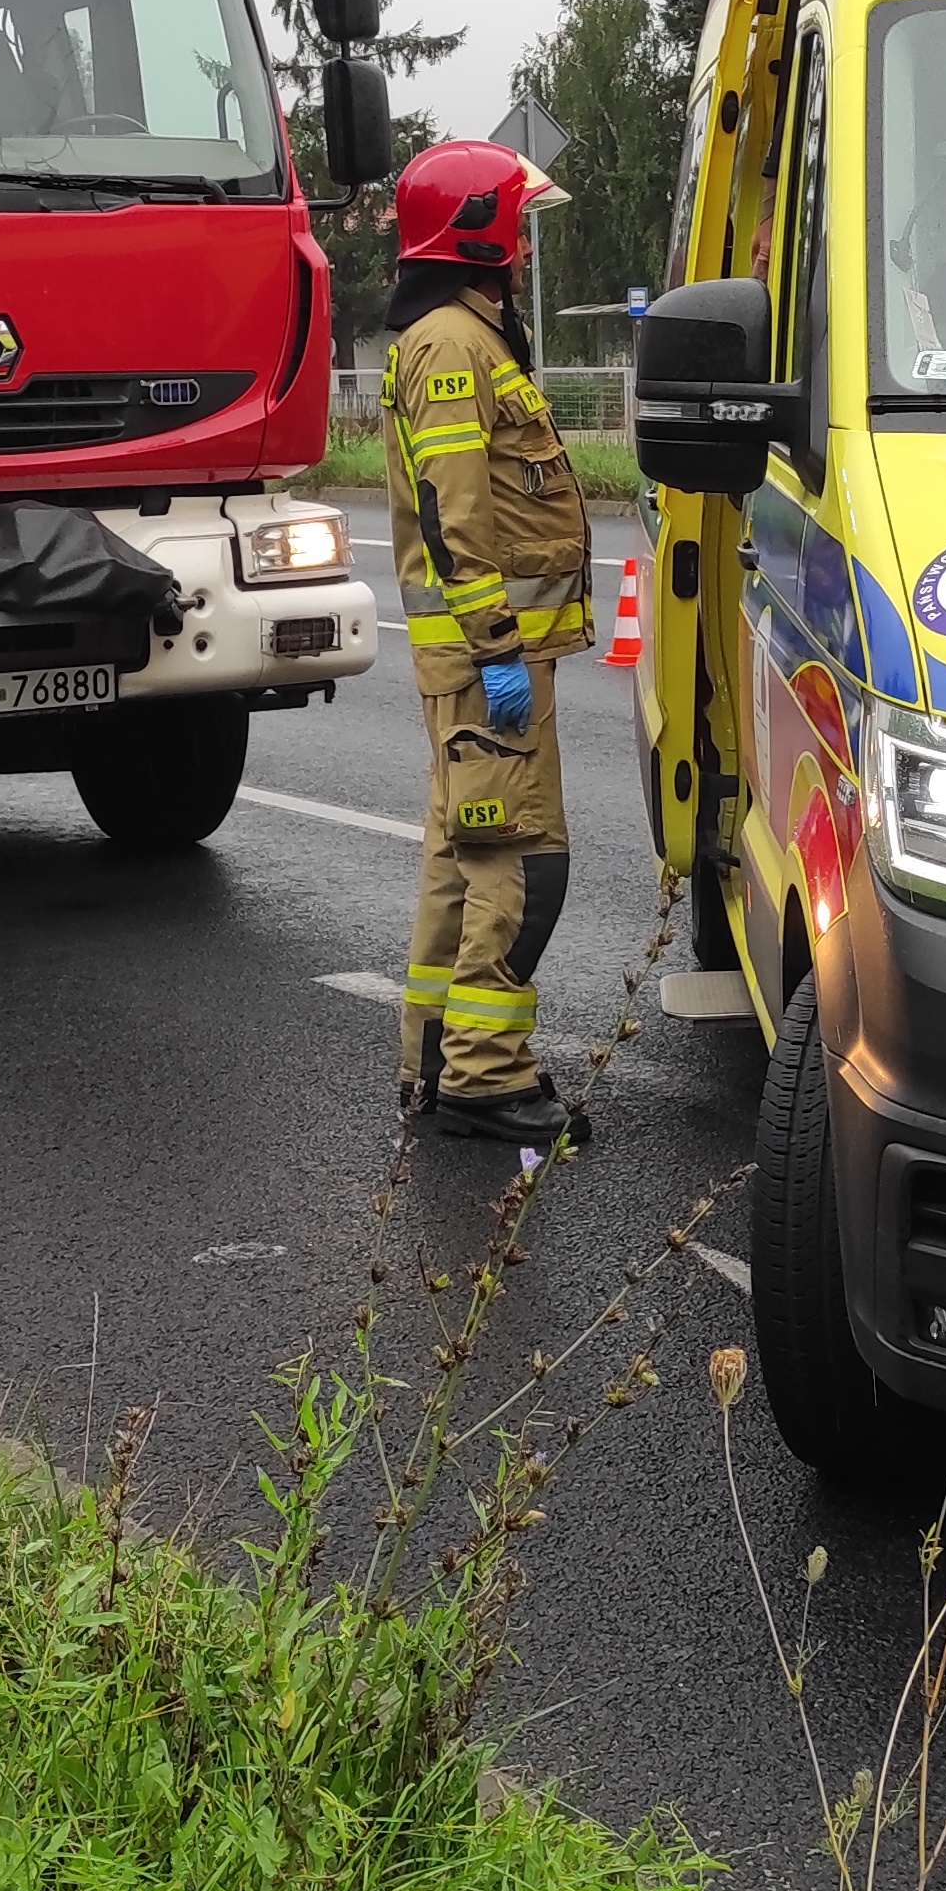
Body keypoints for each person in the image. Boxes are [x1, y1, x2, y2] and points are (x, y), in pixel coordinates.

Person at [381, 138, 598, 1148]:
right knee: (519, 859)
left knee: (459, 859)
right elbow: (455, 511)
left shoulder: (454, 336)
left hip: (480, 658)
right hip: (487, 664)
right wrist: (498, 643)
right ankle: (484, 1072)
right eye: (517, 222)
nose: (523, 243)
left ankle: (433, 1055)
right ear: (482, 232)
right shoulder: (453, 348)